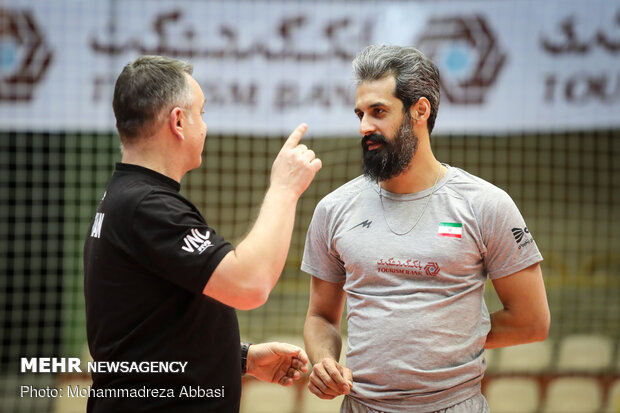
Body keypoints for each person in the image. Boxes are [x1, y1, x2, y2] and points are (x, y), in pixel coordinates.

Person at [302, 45, 550, 413]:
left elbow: (532, 321)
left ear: (421, 110)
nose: (364, 126)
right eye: (360, 113)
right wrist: (324, 359)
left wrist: (444, 340)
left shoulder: (485, 204)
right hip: (361, 406)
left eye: (378, 112)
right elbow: (321, 317)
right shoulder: (334, 209)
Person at [83, 55, 321, 412]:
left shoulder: (129, 197)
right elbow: (250, 283)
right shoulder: (147, 206)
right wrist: (285, 189)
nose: (205, 126)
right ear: (178, 121)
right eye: (202, 112)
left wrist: (242, 358)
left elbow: (149, 326)